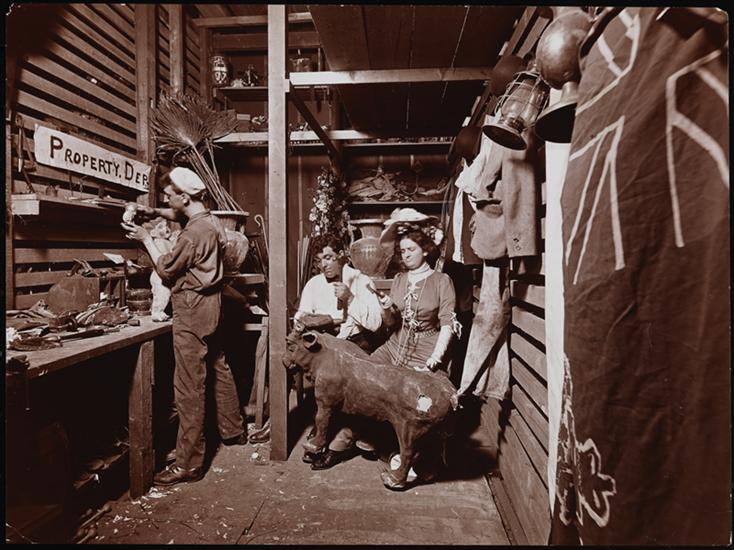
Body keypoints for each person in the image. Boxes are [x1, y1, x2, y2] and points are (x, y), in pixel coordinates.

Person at [121, 166, 247, 487]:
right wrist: (152, 211)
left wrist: (147, 239)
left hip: (191, 309)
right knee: (218, 365)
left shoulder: (192, 235)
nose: (165, 199)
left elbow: (166, 271)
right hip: (212, 305)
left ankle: (189, 464)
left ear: (185, 197)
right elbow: (178, 213)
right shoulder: (210, 220)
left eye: (169, 195)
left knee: (189, 385)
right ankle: (233, 431)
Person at [294, 236, 384, 470]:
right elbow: (301, 316)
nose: (324, 265)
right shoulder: (314, 284)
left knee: (348, 388)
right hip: (325, 347)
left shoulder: (360, 280)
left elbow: (375, 323)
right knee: (323, 383)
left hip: (355, 344)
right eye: (319, 260)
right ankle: (323, 429)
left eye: (329, 258)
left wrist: (350, 298)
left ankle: (339, 441)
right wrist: (309, 321)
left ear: (342, 256)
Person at [371, 208, 461, 373]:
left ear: (425, 250)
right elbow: (391, 324)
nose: (406, 255)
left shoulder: (442, 281)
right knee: (367, 372)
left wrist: (436, 357)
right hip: (394, 346)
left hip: (427, 350)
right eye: (403, 251)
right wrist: (386, 308)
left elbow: (447, 324)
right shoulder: (399, 279)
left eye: (411, 250)